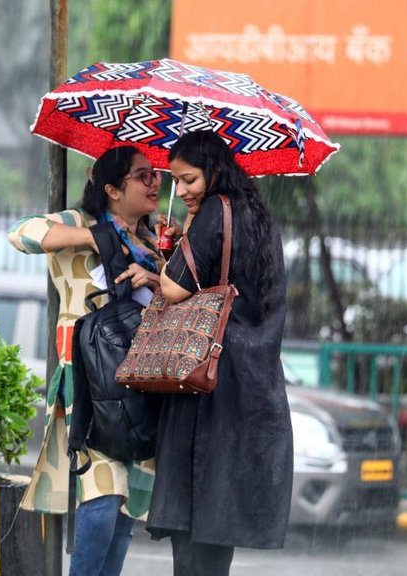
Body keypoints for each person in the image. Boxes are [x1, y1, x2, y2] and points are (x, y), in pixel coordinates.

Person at [8, 145, 175, 576]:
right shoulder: (79, 223)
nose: (155, 183)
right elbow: (21, 233)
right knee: (102, 494)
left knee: (126, 507)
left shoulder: (154, 243)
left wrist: (161, 270)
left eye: (156, 174)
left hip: (141, 383)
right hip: (89, 381)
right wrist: (95, 237)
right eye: (143, 175)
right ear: (112, 189)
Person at [149, 130, 294, 575]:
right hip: (250, 384)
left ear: (213, 172)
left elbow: (175, 288)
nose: (180, 190)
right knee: (216, 524)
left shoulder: (216, 210)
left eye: (188, 179)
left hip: (206, 378)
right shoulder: (260, 215)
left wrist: (170, 253)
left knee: (193, 525)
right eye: (175, 181)